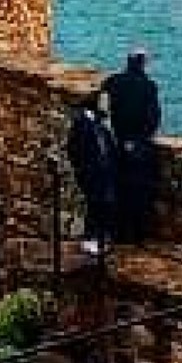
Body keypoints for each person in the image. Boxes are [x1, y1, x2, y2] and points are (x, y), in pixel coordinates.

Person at [101, 49, 162, 242]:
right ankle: (137, 234)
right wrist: (140, 140)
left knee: (119, 188)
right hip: (139, 146)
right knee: (139, 192)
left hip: (118, 143)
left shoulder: (113, 82)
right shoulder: (149, 87)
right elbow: (153, 119)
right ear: (143, 63)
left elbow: (102, 105)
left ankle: (118, 232)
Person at [65, 100, 118, 257]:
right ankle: (91, 238)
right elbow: (74, 150)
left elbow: (107, 146)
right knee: (95, 203)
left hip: (103, 171)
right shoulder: (82, 126)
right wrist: (82, 169)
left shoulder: (98, 125)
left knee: (103, 203)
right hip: (91, 172)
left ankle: (100, 238)